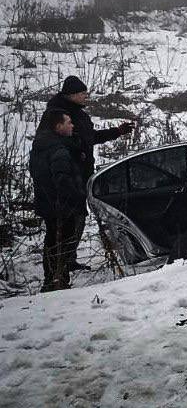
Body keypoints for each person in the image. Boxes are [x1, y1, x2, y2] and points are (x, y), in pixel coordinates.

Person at [29, 109, 89, 291]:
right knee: (62, 243)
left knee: (52, 242)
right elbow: (62, 179)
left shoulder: (40, 146)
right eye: (69, 122)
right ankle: (58, 280)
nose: (72, 125)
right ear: (58, 126)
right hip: (62, 206)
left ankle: (53, 279)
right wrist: (77, 197)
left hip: (47, 204)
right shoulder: (58, 149)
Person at [45, 75, 133, 180]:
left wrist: (117, 131)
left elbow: (90, 137)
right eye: (83, 93)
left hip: (83, 174)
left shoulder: (80, 114)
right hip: (69, 176)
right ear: (73, 95)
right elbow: (55, 144)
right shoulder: (57, 116)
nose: (86, 96)